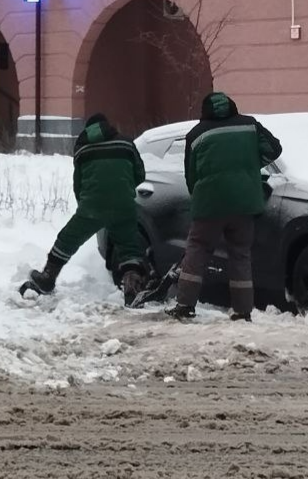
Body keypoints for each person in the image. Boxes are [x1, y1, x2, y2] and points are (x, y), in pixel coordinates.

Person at [166, 91, 282, 322]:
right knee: (240, 255)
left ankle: (185, 305)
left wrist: (198, 195)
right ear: (232, 106)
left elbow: (191, 175)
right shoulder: (250, 125)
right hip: (244, 203)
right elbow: (274, 149)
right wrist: (248, 166)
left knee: (197, 251)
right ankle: (242, 311)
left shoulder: (196, 134)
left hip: (209, 204)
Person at [21, 113, 150, 302]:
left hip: (92, 205)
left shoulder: (82, 148)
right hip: (124, 204)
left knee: (67, 240)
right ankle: (132, 286)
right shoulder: (126, 143)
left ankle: (47, 278)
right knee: (129, 247)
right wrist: (124, 190)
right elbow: (140, 174)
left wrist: (87, 207)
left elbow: (78, 185)